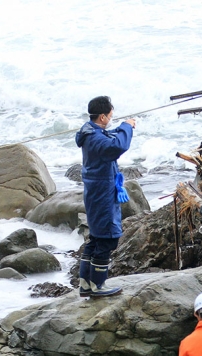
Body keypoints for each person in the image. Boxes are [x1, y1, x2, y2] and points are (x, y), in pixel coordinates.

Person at [75, 95, 135, 298]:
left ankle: (86, 284)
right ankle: (97, 286)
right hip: (102, 194)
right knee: (107, 239)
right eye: (110, 115)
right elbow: (117, 146)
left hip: (96, 191)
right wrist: (127, 127)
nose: (110, 118)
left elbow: (109, 136)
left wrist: (123, 127)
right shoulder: (96, 139)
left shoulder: (90, 132)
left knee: (96, 237)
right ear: (102, 117)